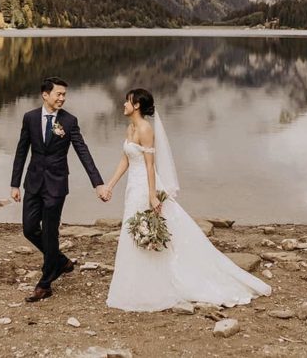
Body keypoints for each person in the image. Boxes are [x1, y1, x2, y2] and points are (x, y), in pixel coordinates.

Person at [102, 88, 271, 311]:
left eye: (127, 101)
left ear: (137, 106)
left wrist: (152, 195)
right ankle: (136, 284)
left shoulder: (145, 129)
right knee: (132, 231)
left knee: (148, 230)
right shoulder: (130, 127)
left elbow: (150, 165)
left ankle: (155, 284)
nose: (123, 104)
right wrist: (110, 185)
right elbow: (125, 158)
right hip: (132, 187)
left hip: (145, 186)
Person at [10, 76, 109, 302]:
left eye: (64, 94)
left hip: (56, 184)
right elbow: (21, 151)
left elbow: (83, 152)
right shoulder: (30, 118)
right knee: (29, 228)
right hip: (33, 182)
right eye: (58, 94)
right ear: (45, 95)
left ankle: (45, 284)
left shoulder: (69, 121)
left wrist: (98, 183)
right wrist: (15, 184)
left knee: (50, 231)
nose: (62, 98)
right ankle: (61, 261)